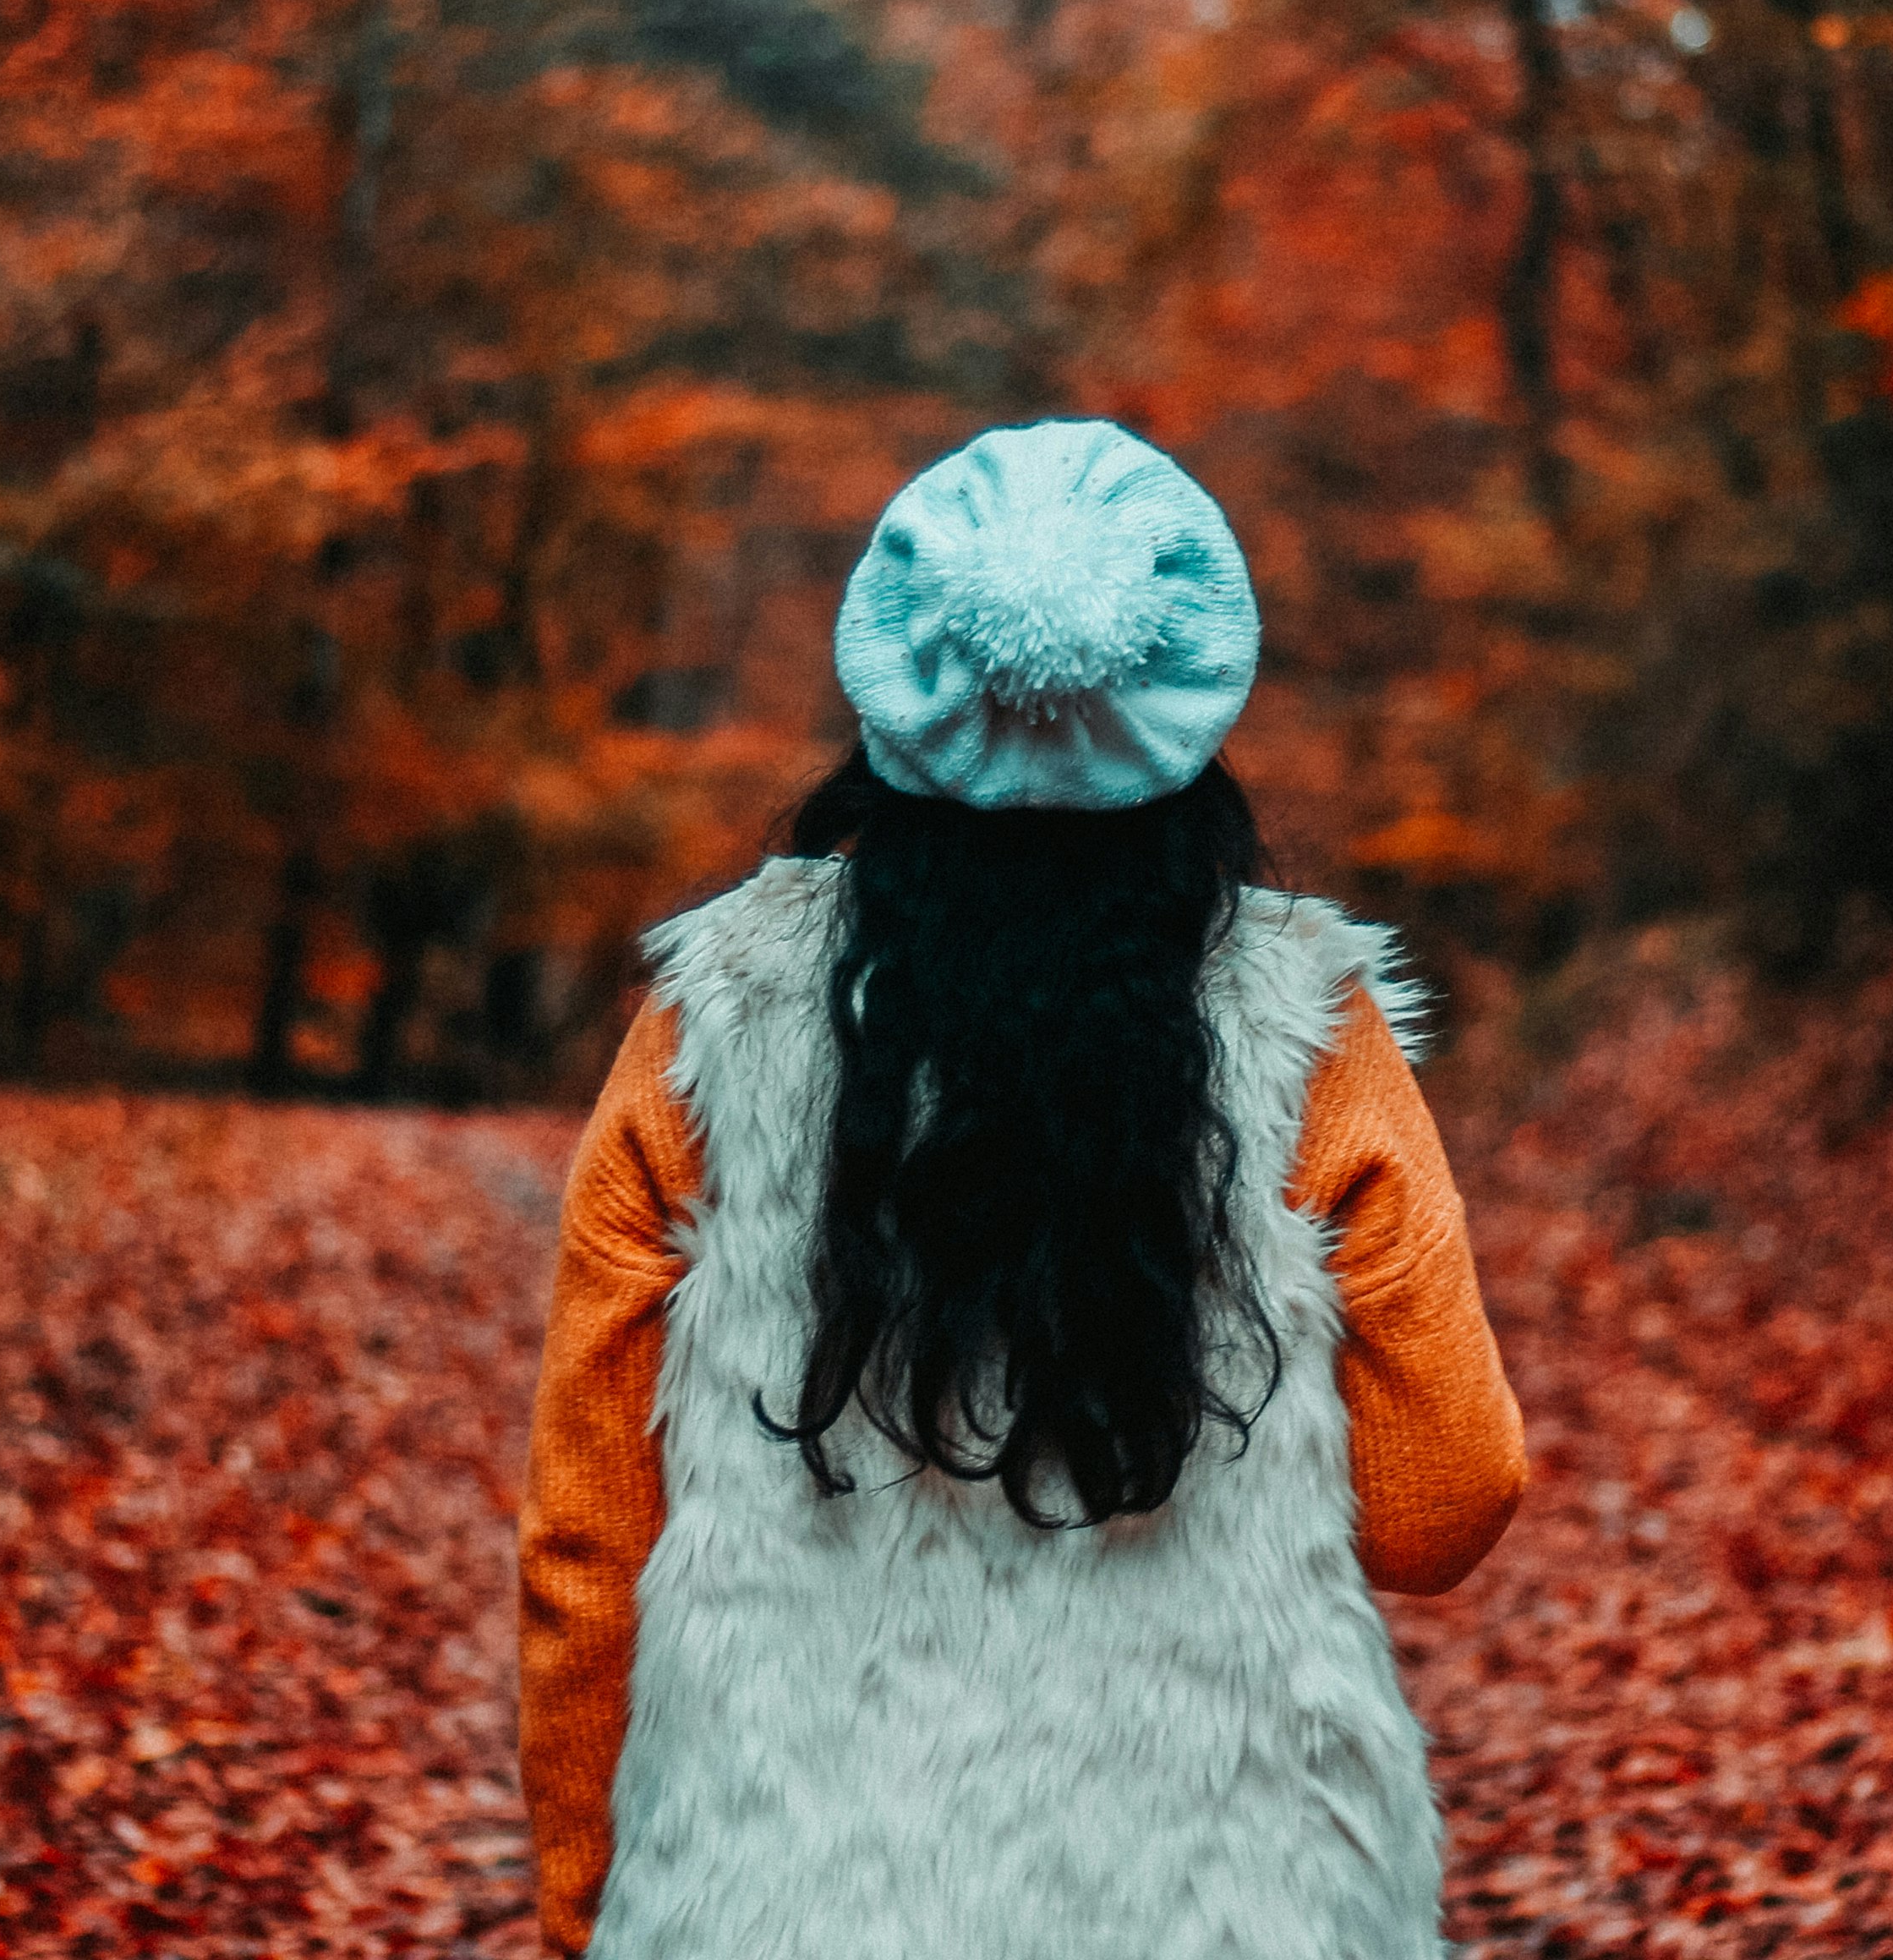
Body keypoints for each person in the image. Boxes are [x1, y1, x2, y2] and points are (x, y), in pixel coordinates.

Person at [514, 418, 1530, 1960]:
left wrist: (589, 1895)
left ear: (897, 676)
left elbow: (589, 1538)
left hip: (786, 1888)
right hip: (1232, 1897)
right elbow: (1442, 1505)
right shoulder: (1308, 1036)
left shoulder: (708, 1021)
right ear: (1189, 694)